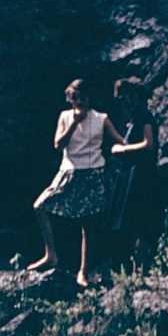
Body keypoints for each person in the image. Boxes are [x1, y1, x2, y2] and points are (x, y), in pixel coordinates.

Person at [30, 79, 125, 287]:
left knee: (88, 224)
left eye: (82, 98)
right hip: (69, 171)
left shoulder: (101, 119)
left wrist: (135, 146)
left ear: (89, 98)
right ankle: (51, 254)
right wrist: (74, 122)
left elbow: (120, 140)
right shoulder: (65, 116)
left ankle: (83, 271)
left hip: (92, 173)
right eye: (75, 98)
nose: (79, 102)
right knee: (40, 206)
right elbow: (58, 144)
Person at [106, 78, 161, 263]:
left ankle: (141, 268)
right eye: (125, 99)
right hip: (131, 175)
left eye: (131, 98)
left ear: (139, 98)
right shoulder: (134, 121)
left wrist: (122, 149)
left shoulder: (144, 117)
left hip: (141, 176)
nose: (128, 103)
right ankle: (132, 269)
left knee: (138, 221)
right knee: (129, 222)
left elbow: (149, 144)